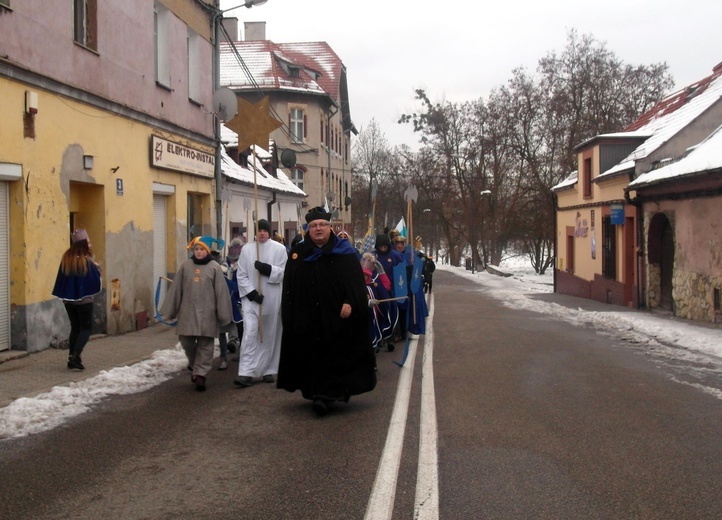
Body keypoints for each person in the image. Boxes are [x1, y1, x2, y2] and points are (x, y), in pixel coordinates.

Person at [278, 206, 376, 416]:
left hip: (338, 319)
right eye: (313, 226)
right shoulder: (299, 255)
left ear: (330, 227)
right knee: (312, 357)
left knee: (336, 356)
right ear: (307, 230)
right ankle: (317, 393)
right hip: (308, 319)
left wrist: (351, 301)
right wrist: (291, 314)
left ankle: (329, 394)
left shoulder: (345, 253)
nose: (318, 229)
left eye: (322, 224)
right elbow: (290, 288)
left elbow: (356, 285)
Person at [161, 236, 233, 391]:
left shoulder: (214, 267)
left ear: (206, 251)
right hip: (188, 312)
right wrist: (170, 311)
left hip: (208, 313)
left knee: (205, 344)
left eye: (201, 249)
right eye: (196, 249)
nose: (199, 252)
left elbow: (221, 292)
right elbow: (176, 290)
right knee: (186, 341)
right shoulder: (186, 266)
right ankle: (195, 365)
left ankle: (200, 374)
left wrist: (224, 314)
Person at [233, 219, 288, 387]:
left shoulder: (279, 249)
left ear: (269, 232)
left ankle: (268, 369)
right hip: (252, 301)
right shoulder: (247, 250)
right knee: (250, 334)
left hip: (271, 299)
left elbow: (285, 272)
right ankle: (246, 372)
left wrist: (267, 269)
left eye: (265, 230)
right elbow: (241, 274)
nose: (262, 233)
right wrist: (251, 293)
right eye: (259, 230)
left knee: (270, 334)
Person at [52, 228, 102, 370]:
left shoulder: (67, 259)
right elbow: (94, 280)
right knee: (86, 329)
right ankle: (76, 356)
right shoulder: (86, 262)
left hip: (69, 302)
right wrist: (97, 269)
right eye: (89, 242)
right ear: (83, 245)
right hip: (84, 302)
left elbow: (63, 279)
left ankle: (71, 358)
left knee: (75, 327)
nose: (91, 245)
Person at [360, 252, 398, 353]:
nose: (364, 277)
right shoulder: (358, 285)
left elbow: (386, 287)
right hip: (363, 316)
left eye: (366, 275)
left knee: (377, 329)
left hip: (377, 313)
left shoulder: (375, 281)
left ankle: (381, 343)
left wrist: (382, 273)